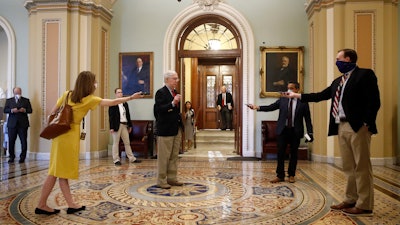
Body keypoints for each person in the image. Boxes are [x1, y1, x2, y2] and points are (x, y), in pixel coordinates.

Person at [283, 49, 380, 216]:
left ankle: (364, 204)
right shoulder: (338, 81)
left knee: (361, 166)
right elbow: (320, 95)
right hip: (341, 126)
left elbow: (374, 100)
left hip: (358, 126)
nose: (336, 62)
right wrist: (296, 95)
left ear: (348, 59)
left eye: (338, 59)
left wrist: (367, 123)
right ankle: (351, 199)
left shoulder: (364, 75)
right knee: (349, 166)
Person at [35, 71, 143, 215]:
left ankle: (67, 204)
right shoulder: (89, 99)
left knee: (57, 172)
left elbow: (53, 113)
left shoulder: (67, 94)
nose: (95, 84)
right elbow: (112, 102)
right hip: (69, 137)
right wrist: (131, 97)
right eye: (94, 81)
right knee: (58, 173)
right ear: (89, 84)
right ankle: (43, 204)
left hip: (59, 137)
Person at [248, 81, 313, 183]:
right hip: (283, 130)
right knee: (280, 153)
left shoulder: (303, 101)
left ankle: (291, 175)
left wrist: (310, 133)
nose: (289, 90)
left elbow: (308, 119)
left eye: (291, 88)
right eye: (288, 88)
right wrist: (258, 107)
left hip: (295, 131)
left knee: (294, 154)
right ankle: (280, 175)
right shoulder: (283, 99)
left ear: (297, 90)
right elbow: (271, 107)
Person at [153, 70, 183, 189]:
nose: (176, 81)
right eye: (174, 79)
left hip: (176, 128)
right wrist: (172, 103)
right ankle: (161, 180)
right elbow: (159, 110)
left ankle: (172, 178)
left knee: (174, 156)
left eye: (177, 79)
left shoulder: (175, 92)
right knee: (164, 157)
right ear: (167, 80)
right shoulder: (160, 93)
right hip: (165, 129)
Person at [108, 88, 142, 165]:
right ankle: (116, 159)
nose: (120, 94)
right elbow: (111, 116)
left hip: (124, 124)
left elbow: (128, 115)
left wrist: (130, 125)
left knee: (127, 142)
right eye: (118, 92)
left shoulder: (125, 103)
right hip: (117, 125)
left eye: (121, 92)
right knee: (116, 143)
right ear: (116, 94)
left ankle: (132, 158)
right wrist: (111, 127)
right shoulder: (113, 103)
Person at [3, 87, 33, 163]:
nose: (17, 94)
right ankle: (11, 157)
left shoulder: (26, 100)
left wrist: (24, 110)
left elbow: (30, 110)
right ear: (13, 93)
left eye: (19, 92)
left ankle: (22, 157)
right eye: (16, 93)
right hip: (12, 124)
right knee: (11, 141)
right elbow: (5, 110)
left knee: (23, 141)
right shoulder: (9, 100)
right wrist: (12, 110)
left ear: (21, 92)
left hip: (22, 124)